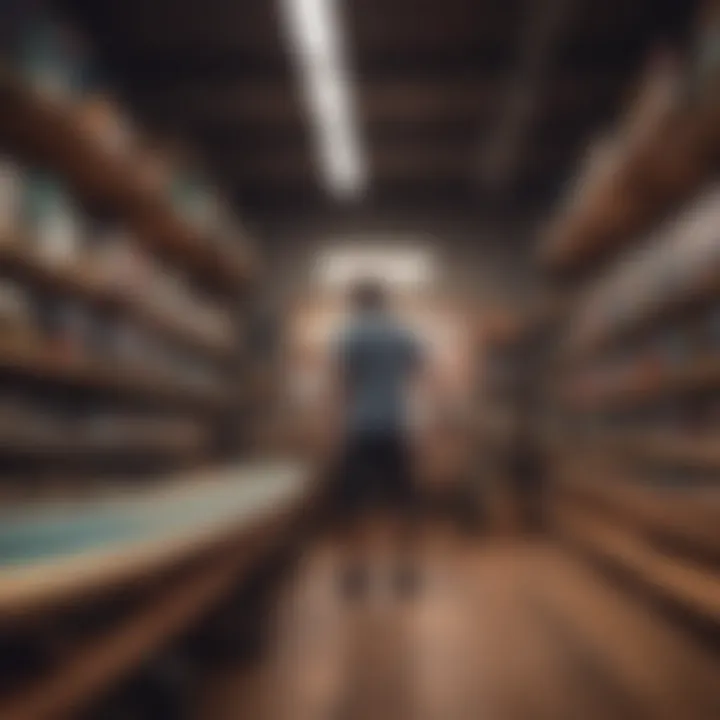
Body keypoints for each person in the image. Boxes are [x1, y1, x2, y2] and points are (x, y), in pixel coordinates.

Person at [329, 278, 426, 597]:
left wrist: (334, 424)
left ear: (357, 301)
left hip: (360, 427)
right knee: (403, 503)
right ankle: (405, 573)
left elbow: (342, 382)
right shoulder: (402, 333)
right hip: (396, 425)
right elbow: (416, 373)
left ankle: (356, 574)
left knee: (353, 504)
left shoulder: (352, 333)